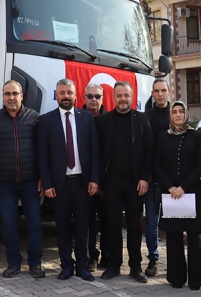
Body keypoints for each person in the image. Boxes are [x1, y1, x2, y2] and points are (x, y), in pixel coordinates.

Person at [37, 78, 100, 281]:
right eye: (62, 92)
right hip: (59, 184)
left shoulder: (86, 118)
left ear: (75, 95)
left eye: (69, 92)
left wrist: (94, 180)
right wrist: (47, 183)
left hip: (82, 183)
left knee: (83, 226)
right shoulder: (46, 120)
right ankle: (66, 265)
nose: (66, 96)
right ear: (57, 95)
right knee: (62, 226)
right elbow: (43, 156)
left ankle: (82, 265)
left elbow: (94, 151)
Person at [0, 80, 45, 278]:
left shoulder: (34, 117)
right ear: (3, 97)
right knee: (8, 224)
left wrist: (42, 178)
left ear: (22, 96)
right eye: (7, 94)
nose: (11, 97)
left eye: (15, 93)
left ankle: (35, 263)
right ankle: (13, 263)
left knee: (35, 224)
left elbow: (42, 151)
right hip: (5, 183)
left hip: (30, 182)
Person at [96, 81, 154, 283]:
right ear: (113, 98)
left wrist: (145, 178)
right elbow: (97, 154)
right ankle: (114, 265)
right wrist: (99, 181)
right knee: (112, 226)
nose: (123, 99)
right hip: (111, 183)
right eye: (119, 96)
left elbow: (150, 152)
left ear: (131, 97)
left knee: (134, 226)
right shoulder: (103, 121)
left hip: (135, 183)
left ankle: (135, 267)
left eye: (126, 96)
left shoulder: (142, 119)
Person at [154, 101, 201, 291]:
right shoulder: (162, 137)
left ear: (186, 114)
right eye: (174, 112)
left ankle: (197, 279)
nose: (178, 115)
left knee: (194, 236)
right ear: (170, 115)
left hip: (191, 192)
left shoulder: (196, 136)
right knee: (174, 235)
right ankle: (176, 278)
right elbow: (157, 165)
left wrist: (183, 187)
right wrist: (170, 187)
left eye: (181, 111)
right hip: (170, 194)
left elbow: (200, 164)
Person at [143, 78, 171, 277]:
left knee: (173, 223)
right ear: (152, 94)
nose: (160, 94)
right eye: (156, 91)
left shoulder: (176, 115)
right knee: (151, 223)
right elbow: (143, 150)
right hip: (152, 180)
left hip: (173, 183)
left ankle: (176, 259)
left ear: (169, 92)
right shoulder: (146, 117)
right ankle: (153, 258)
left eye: (163, 90)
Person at [82, 83, 109, 272]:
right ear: (83, 98)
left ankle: (107, 256)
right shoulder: (77, 118)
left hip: (107, 182)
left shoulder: (110, 120)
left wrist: (100, 180)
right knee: (88, 221)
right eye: (90, 96)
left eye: (97, 96)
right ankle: (91, 256)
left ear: (103, 98)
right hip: (84, 181)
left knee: (108, 221)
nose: (94, 99)